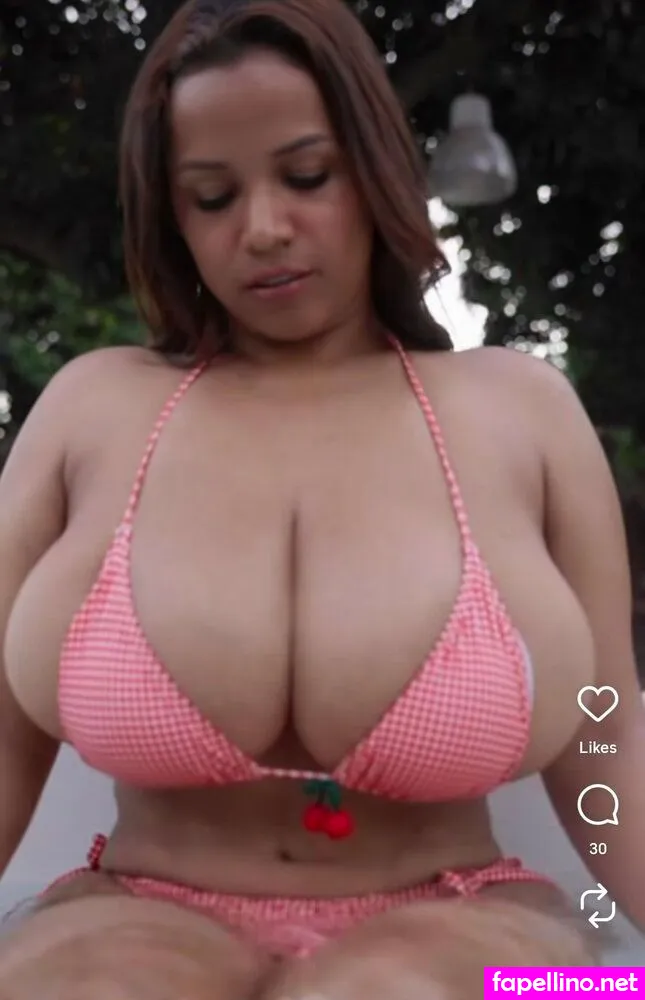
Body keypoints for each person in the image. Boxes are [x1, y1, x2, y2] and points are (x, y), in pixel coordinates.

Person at [0, 0, 643, 994]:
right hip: (126, 914)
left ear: (377, 169)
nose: (263, 228)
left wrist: (622, 954)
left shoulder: (521, 411)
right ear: (171, 215)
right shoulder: (93, 411)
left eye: (307, 177)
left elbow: (607, 732)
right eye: (211, 197)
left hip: (482, 934)